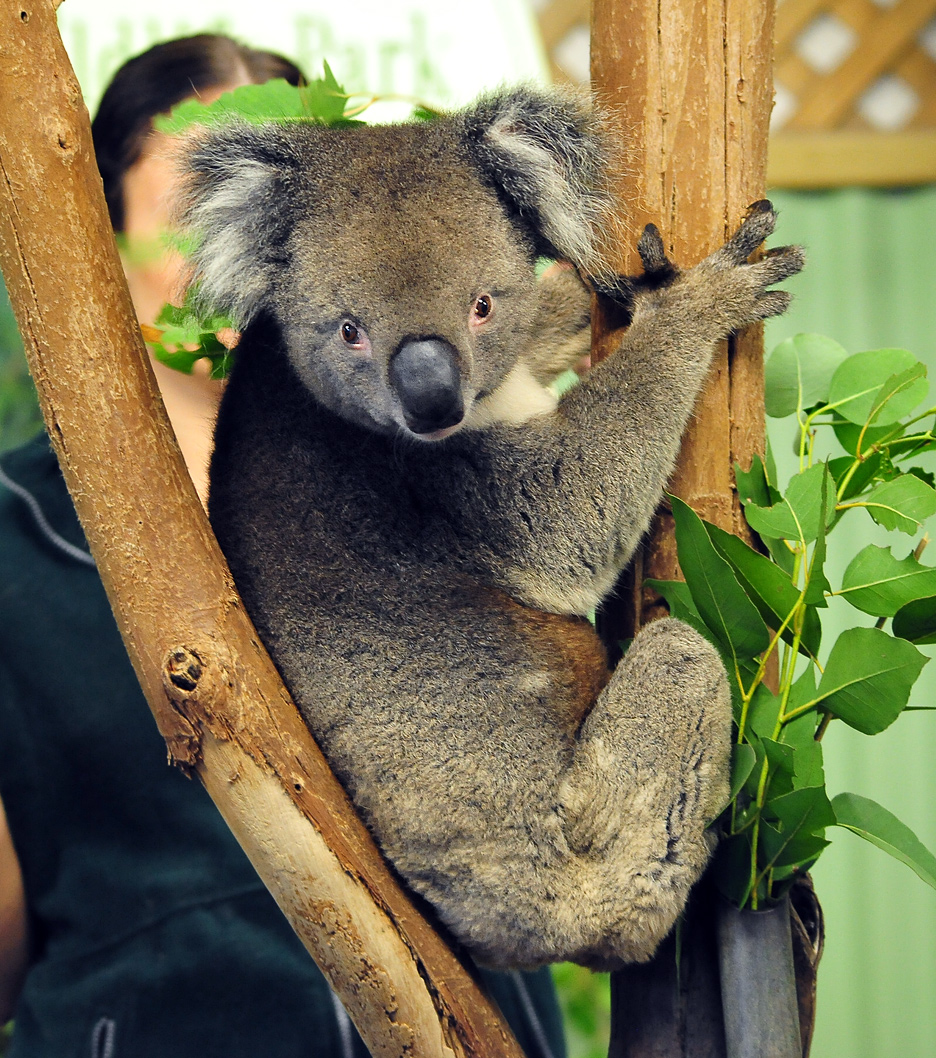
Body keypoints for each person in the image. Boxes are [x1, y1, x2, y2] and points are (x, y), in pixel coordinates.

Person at [0, 34, 566, 1058]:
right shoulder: (13, 538)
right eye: (196, 213)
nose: (248, 254)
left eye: (290, 224)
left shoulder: (447, 441)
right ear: (92, 242)